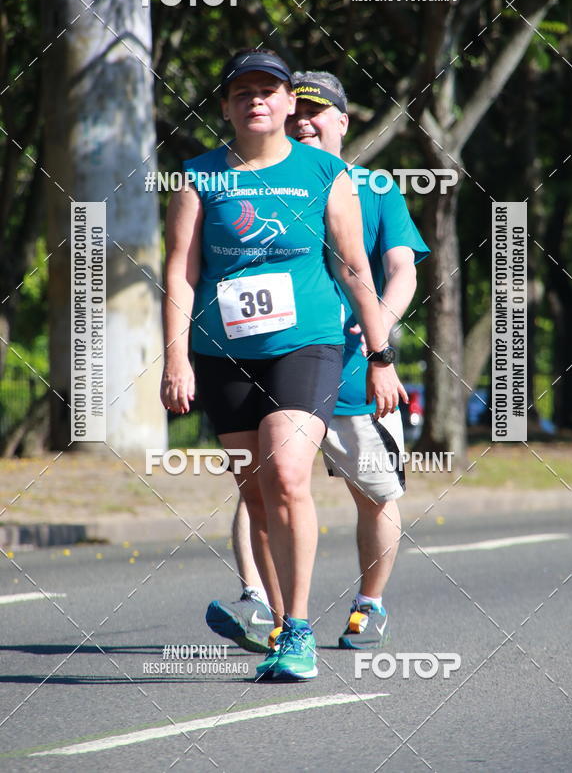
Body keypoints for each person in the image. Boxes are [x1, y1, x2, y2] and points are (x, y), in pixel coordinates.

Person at [160, 50, 405, 682]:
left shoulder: (326, 172)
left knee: (288, 473)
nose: (256, 101)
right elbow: (180, 274)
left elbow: (354, 267)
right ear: (226, 107)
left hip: (307, 345)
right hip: (223, 353)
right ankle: (276, 620)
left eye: (268, 90)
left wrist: (380, 356)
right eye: (242, 92)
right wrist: (176, 358)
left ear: (288, 102)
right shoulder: (199, 177)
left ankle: (298, 629)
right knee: (255, 491)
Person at [206, 70, 429, 655]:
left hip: (355, 368)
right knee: (264, 483)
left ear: (343, 121)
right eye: (298, 110)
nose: (305, 120)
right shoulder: (250, 180)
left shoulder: (375, 186)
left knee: (375, 494)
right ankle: (260, 603)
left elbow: (402, 270)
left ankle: (369, 603)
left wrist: (378, 332)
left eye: (318, 111)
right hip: (277, 360)